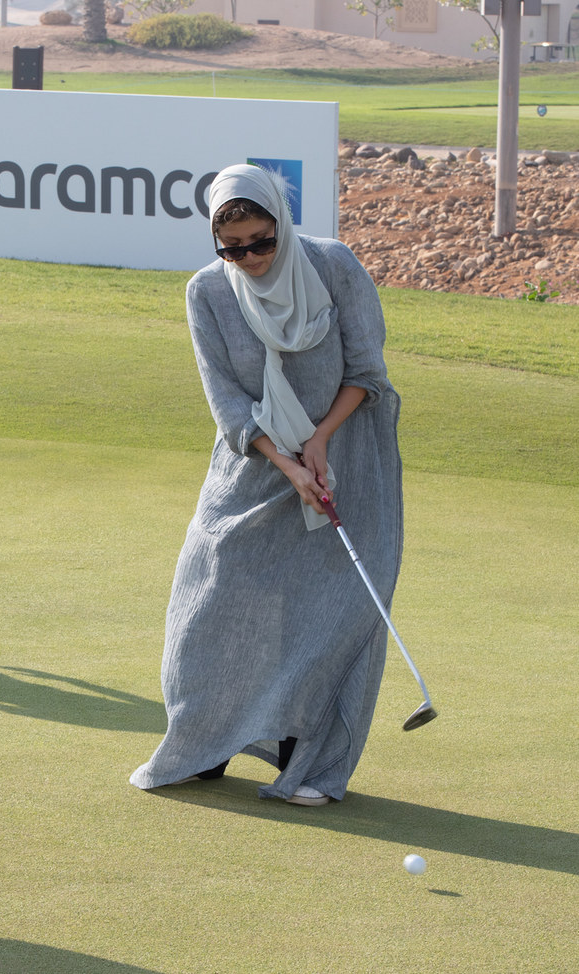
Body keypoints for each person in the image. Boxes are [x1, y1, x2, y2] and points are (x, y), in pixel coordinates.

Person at [130, 163, 402, 806]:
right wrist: (285, 461)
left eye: (262, 242)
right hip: (254, 461)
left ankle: (303, 759)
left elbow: (366, 370)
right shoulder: (207, 292)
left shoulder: (335, 266)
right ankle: (206, 742)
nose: (249, 258)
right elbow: (226, 399)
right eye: (233, 248)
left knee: (326, 611)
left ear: (282, 223)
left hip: (345, 457)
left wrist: (317, 442)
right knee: (212, 592)